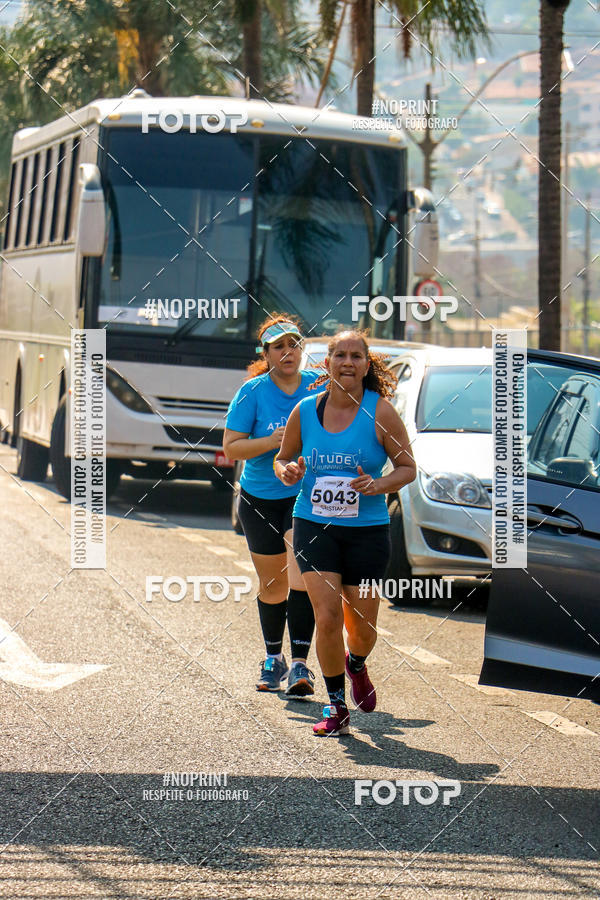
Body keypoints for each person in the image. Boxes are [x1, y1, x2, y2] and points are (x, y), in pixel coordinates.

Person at [274, 330, 417, 735]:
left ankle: (357, 665)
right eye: (340, 355)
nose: (348, 362)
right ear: (327, 363)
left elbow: (408, 469)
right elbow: (283, 459)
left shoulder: (381, 412)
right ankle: (336, 707)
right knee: (328, 616)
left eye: (356, 355)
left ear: (366, 365)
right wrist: (289, 471)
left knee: (364, 628)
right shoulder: (304, 410)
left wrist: (378, 485)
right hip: (315, 525)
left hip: (368, 532)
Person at [223, 315, 319, 697]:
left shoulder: (317, 387)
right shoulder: (253, 391)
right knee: (274, 584)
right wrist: (273, 441)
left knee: (302, 581)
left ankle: (299, 664)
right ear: (267, 354)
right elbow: (232, 447)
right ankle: (272, 657)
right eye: (278, 346)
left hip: (304, 498)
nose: (288, 352)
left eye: (293, 344)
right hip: (260, 497)